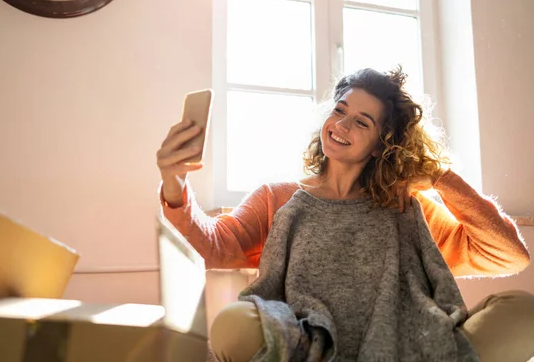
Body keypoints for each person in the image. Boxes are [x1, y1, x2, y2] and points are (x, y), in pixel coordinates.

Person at [156, 68, 533, 362]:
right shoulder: (278, 198)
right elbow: (215, 247)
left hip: (407, 343)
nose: (342, 125)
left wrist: (440, 177)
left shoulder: (405, 208)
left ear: (381, 144)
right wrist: (174, 182)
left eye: (362, 122)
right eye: (340, 110)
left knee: (523, 312)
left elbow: (510, 255)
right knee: (231, 326)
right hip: (305, 346)